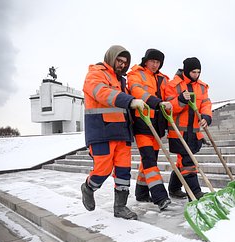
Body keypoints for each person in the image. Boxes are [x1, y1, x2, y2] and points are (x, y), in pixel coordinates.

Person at [81, 45, 145, 220]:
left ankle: (120, 207)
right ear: (111, 57)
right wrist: (129, 100)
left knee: (124, 171)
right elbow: (102, 93)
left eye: (125, 63)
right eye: (119, 60)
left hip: (122, 132)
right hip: (101, 131)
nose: (122, 65)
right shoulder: (96, 73)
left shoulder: (122, 81)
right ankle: (88, 187)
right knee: (103, 169)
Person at [127, 48, 173, 210]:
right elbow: (136, 90)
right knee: (149, 159)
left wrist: (173, 102)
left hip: (158, 125)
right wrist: (155, 102)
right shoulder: (135, 74)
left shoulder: (163, 79)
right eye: (152, 61)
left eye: (158, 62)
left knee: (149, 159)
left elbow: (169, 95)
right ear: (145, 61)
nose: (155, 65)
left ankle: (141, 191)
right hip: (142, 122)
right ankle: (160, 196)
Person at [165, 57, 212, 200]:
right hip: (179, 132)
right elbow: (168, 108)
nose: (196, 75)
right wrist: (180, 100)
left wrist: (206, 117)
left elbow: (206, 103)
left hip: (194, 132)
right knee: (188, 162)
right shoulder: (173, 85)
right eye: (193, 72)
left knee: (184, 161)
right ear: (186, 70)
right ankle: (196, 193)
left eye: (198, 72)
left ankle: (173, 188)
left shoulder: (202, 87)